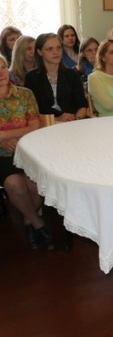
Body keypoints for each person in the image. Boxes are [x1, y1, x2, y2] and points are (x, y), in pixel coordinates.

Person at [0, 54, 53, 249]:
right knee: (14, 183)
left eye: (2, 67)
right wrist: (4, 141)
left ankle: (28, 221)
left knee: (34, 183)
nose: (0, 73)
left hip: (27, 150)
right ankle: (38, 223)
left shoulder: (25, 94)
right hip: (1, 155)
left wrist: (3, 135)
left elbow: (34, 126)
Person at [24, 33, 88, 122]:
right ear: (39, 52)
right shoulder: (31, 78)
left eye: (58, 48)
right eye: (50, 49)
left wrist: (76, 119)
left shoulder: (72, 74)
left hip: (73, 122)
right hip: (46, 124)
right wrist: (57, 119)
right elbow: (31, 111)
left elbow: (82, 105)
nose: (55, 52)